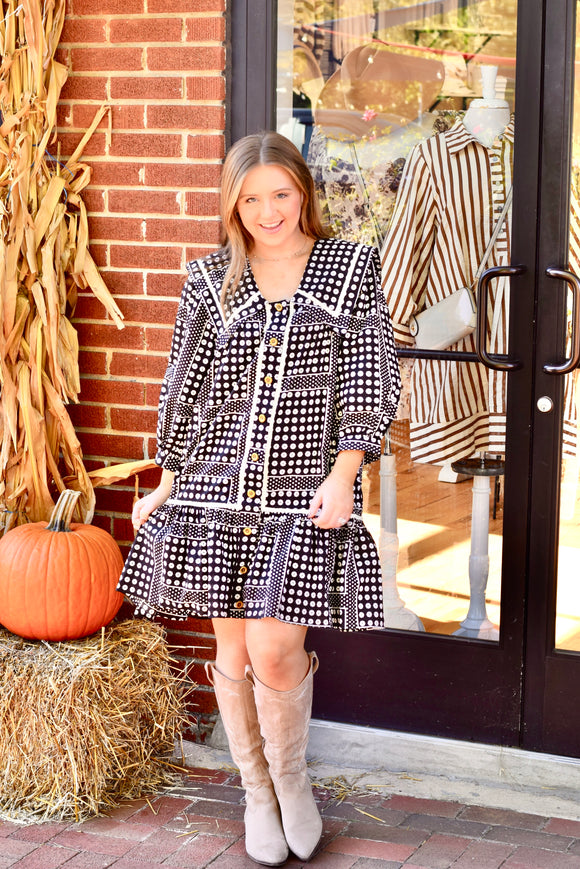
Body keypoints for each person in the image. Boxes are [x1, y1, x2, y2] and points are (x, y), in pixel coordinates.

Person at [117, 130, 401, 866]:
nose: (268, 210)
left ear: (303, 190)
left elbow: (371, 376)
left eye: (281, 193)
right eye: (251, 198)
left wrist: (346, 473)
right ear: (232, 205)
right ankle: (256, 791)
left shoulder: (351, 268)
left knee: (276, 650)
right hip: (215, 487)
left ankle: (293, 781)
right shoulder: (211, 278)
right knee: (234, 650)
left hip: (303, 491)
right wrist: (168, 480)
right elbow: (184, 388)